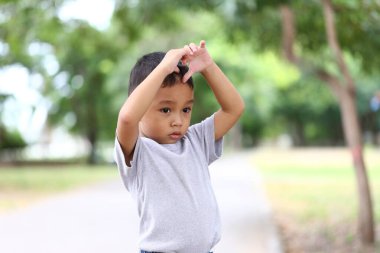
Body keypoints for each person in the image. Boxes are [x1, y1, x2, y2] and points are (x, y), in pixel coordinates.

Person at [113, 40, 245, 253]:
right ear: (141, 104)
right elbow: (127, 118)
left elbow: (234, 108)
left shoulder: (196, 140)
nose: (178, 120)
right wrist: (163, 68)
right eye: (166, 110)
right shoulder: (138, 151)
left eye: (185, 110)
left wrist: (208, 66)